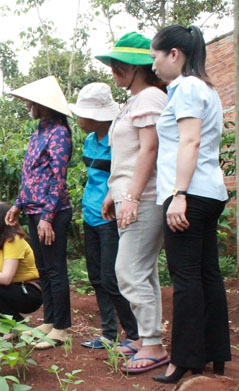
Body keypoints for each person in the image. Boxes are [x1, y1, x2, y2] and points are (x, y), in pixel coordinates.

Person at [150, 25, 231, 383]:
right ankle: (213, 355)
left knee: (185, 279)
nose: (153, 66)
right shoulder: (208, 90)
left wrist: (179, 195)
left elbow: (190, 142)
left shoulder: (184, 88)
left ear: (174, 54)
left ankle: (183, 361)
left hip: (189, 193)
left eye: (155, 56)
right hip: (210, 192)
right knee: (207, 274)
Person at [95, 32, 169, 373]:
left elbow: (150, 150)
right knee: (143, 270)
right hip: (129, 195)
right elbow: (127, 156)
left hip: (146, 197)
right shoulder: (133, 101)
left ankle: (152, 343)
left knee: (127, 271)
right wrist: (113, 192)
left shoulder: (151, 97)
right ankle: (146, 338)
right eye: (112, 64)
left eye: (119, 64)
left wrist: (133, 196)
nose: (114, 70)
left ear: (139, 66)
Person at [68, 82, 140, 349]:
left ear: (96, 116)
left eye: (82, 114)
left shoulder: (117, 138)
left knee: (112, 278)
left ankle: (133, 334)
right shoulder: (89, 141)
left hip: (111, 217)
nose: (79, 119)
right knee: (97, 277)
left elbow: (127, 174)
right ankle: (109, 334)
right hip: (90, 214)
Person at [5, 76, 73, 350]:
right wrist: (18, 204)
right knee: (43, 269)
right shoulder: (39, 133)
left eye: (30, 102)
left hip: (52, 212)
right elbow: (31, 176)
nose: (27, 106)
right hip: (34, 210)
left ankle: (62, 328)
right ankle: (49, 320)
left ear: (42, 105)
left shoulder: (59, 132)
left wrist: (47, 216)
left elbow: (58, 178)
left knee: (55, 270)